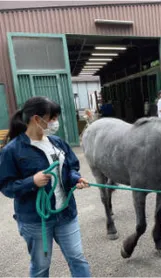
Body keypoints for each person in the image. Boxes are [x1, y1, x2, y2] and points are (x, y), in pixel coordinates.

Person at [0, 96, 91, 277]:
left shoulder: (57, 143)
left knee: (78, 258)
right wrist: (31, 182)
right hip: (35, 220)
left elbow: (71, 167)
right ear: (36, 119)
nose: (55, 122)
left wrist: (75, 179)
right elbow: (6, 186)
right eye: (52, 118)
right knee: (41, 266)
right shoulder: (12, 150)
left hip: (66, 214)